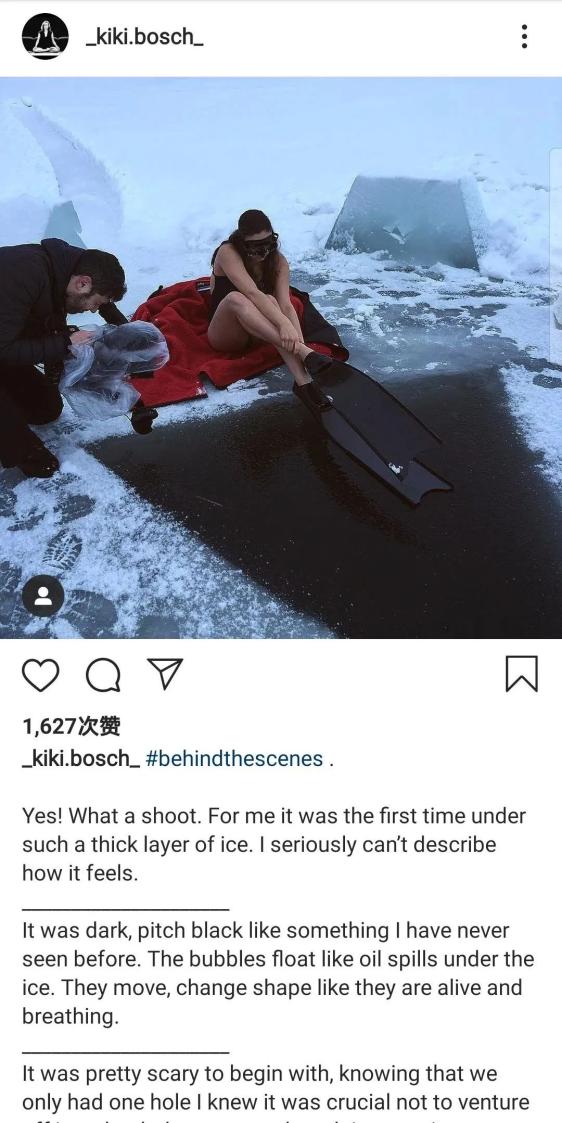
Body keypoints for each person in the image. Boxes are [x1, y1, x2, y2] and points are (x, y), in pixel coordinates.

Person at [0, 238, 127, 477]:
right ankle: (19, 449)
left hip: (4, 337)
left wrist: (125, 331)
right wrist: (64, 343)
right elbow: (3, 349)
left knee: (45, 408)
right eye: (94, 304)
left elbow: (99, 296)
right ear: (82, 283)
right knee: (22, 445)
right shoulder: (23, 275)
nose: (93, 309)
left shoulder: (66, 269)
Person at [207, 210, 333, 410]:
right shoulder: (228, 252)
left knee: (271, 300)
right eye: (256, 246)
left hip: (261, 331)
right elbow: (251, 292)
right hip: (227, 335)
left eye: (268, 244)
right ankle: (303, 352)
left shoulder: (278, 261)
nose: (264, 251)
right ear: (242, 242)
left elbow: (286, 305)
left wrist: (295, 335)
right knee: (236, 297)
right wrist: (292, 336)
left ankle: (304, 382)